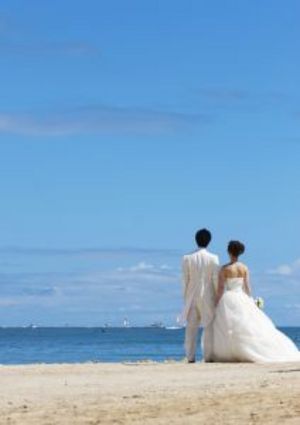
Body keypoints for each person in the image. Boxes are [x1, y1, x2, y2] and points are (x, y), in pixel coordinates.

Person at [209, 240, 300, 362]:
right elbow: (247, 287)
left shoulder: (224, 269)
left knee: (228, 327)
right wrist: (250, 301)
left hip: (229, 297)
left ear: (229, 252)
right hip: (241, 297)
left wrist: (216, 302)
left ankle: (232, 351)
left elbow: (220, 289)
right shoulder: (244, 268)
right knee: (247, 325)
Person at [182, 229, 219, 362]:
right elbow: (215, 279)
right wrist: (217, 297)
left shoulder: (187, 258)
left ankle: (190, 356)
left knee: (191, 328)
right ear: (209, 241)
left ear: (196, 240)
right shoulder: (213, 258)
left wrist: (185, 297)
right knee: (208, 326)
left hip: (191, 296)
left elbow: (185, 280)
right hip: (208, 295)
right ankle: (208, 356)